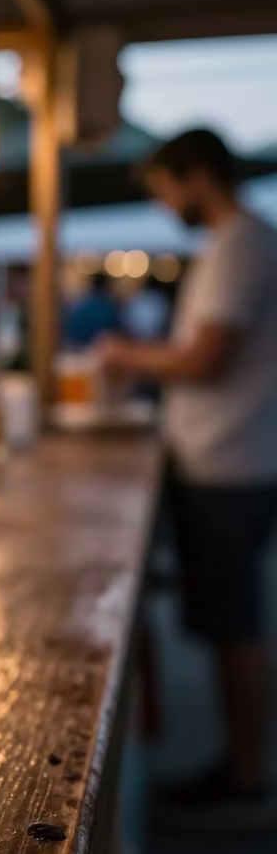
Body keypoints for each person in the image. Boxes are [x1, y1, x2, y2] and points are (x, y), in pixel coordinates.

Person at [99, 128, 277, 807]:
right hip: (226, 458)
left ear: (197, 175)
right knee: (230, 621)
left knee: (236, 625)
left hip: (231, 462)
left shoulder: (242, 244)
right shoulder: (236, 243)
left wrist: (125, 356)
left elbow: (206, 359)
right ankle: (239, 767)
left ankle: (244, 777)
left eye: (165, 188)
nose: (164, 204)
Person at [64, 272, 120, 348]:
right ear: (107, 286)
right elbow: (113, 335)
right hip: (98, 351)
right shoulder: (108, 309)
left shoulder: (81, 306)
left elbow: (71, 332)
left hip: (76, 349)